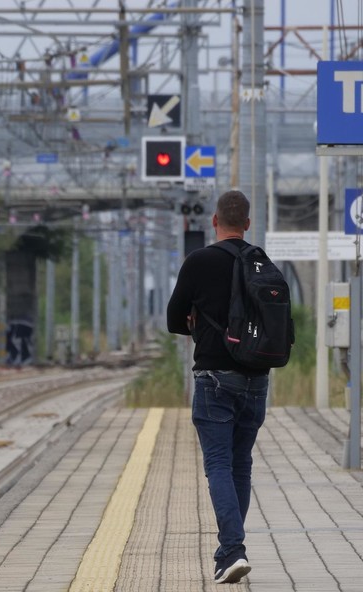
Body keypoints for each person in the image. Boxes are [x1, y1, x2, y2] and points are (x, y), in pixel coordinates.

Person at [166, 190, 268, 585]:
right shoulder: (262, 261)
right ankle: (231, 551)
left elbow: (175, 320)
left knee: (219, 465)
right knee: (241, 464)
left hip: (214, 379)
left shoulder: (199, 261)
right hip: (257, 379)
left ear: (214, 221)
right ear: (246, 222)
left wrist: (196, 319)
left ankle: (233, 550)